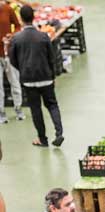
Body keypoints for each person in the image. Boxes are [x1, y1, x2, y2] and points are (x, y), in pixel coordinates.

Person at [8, 5, 63, 147]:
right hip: (46, 77)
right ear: (33, 17)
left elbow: (12, 59)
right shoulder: (43, 36)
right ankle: (59, 133)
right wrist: (52, 75)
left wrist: (23, 69)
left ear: (20, 19)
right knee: (52, 105)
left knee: (35, 109)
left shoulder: (16, 39)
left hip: (29, 80)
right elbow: (51, 58)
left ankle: (42, 139)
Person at [0, 0, 25, 124]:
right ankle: (1, 112)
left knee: (15, 81)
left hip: (9, 52)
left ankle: (18, 108)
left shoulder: (7, 9)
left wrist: (12, 35)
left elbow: (18, 25)